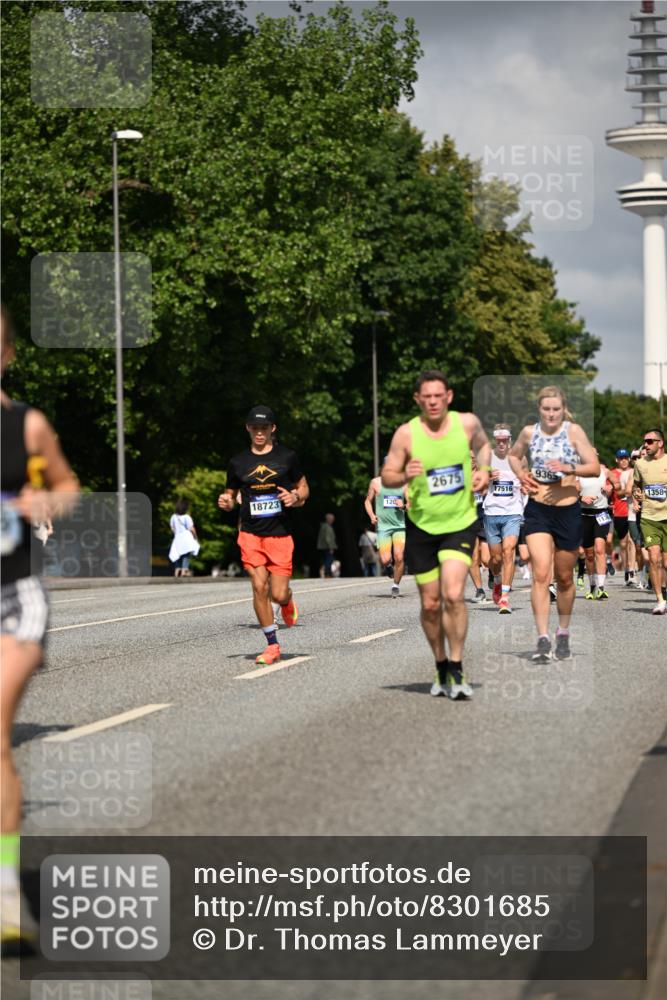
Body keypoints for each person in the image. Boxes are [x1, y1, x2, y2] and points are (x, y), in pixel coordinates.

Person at [1, 306, 79, 949]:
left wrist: (44, 500)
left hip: (14, 596)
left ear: (5, 357)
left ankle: (5, 895)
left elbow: (67, 484)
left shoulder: (25, 425)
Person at [383, 370, 491, 700]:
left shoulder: (467, 424)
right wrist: (402, 473)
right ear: (418, 399)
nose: (432, 401)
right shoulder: (406, 434)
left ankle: (457, 666)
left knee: (454, 594)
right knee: (431, 604)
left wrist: (484, 471)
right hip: (421, 527)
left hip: (459, 522)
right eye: (426, 397)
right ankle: (441, 664)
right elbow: (387, 474)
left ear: (449, 397)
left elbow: (484, 446)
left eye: (438, 396)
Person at [509, 385, 599, 662]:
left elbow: (593, 466)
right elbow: (513, 455)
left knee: (564, 578)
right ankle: (542, 638)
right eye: (546, 409)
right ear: (539, 409)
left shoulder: (574, 432)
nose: (551, 413)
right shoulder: (528, 432)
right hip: (538, 510)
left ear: (563, 409)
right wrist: (522, 473)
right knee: (541, 573)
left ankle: (562, 631)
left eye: (556, 409)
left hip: (568, 511)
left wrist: (568, 468)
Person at [217, 406, 308, 664]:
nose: (259, 432)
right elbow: (231, 495)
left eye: (264, 428)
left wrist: (295, 496)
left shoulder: (287, 457)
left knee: (278, 594)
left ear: (272, 429)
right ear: (248, 428)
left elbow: (304, 488)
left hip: (280, 534)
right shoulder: (237, 462)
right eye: (255, 428)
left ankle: (287, 601)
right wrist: (227, 501)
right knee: (259, 586)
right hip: (250, 533)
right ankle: (272, 645)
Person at [483, 424, 523, 613]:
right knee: (495, 558)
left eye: (504, 441)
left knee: (509, 551)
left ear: (509, 441)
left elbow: (527, 480)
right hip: (491, 512)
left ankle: (505, 598)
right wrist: (487, 477)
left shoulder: (519, 459)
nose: (501, 444)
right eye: (498, 441)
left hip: (513, 512)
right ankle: (497, 581)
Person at [632, 428, 667, 614]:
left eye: (650, 441)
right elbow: (635, 486)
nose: (646, 444)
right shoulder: (640, 464)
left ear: (660, 443)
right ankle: (660, 600)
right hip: (649, 517)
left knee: (666, 563)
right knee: (654, 558)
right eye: (645, 441)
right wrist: (636, 496)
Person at [365, 465, 407, 597]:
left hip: (399, 526)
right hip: (383, 527)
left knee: (399, 557)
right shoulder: (375, 482)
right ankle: (388, 566)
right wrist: (372, 515)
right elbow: (367, 501)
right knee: (385, 559)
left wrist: (404, 506)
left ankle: (396, 585)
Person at [578, 454, 613, 600]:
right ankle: (592, 586)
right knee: (589, 553)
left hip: (602, 514)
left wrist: (610, 488)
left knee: (600, 549)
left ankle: (601, 587)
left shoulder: (605, 471)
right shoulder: (578, 473)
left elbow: (616, 487)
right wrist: (581, 497)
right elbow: (570, 491)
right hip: (584, 515)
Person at [608, 449, 635, 586]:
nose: (623, 460)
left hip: (632, 511)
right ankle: (625, 569)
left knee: (632, 541)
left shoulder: (633, 472)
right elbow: (606, 491)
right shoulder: (612, 474)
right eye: (621, 458)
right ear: (616, 460)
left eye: (625, 458)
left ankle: (631, 571)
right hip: (619, 512)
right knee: (623, 544)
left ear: (629, 459)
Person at [168, 498, 200, 576]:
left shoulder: (173, 517)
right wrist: (195, 537)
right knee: (186, 554)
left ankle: (177, 570)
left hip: (177, 537)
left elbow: (172, 527)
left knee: (178, 553)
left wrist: (176, 533)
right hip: (186, 537)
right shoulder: (187, 517)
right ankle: (184, 570)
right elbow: (191, 528)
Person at [316, 513, 337, 579]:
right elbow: (328, 538)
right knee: (329, 560)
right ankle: (327, 573)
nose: (333, 520)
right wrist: (331, 547)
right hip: (327, 547)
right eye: (332, 519)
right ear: (328, 519)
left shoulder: (324, 526)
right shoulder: (327, 527)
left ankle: (326, 572)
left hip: (323, 546)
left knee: (327, 559)